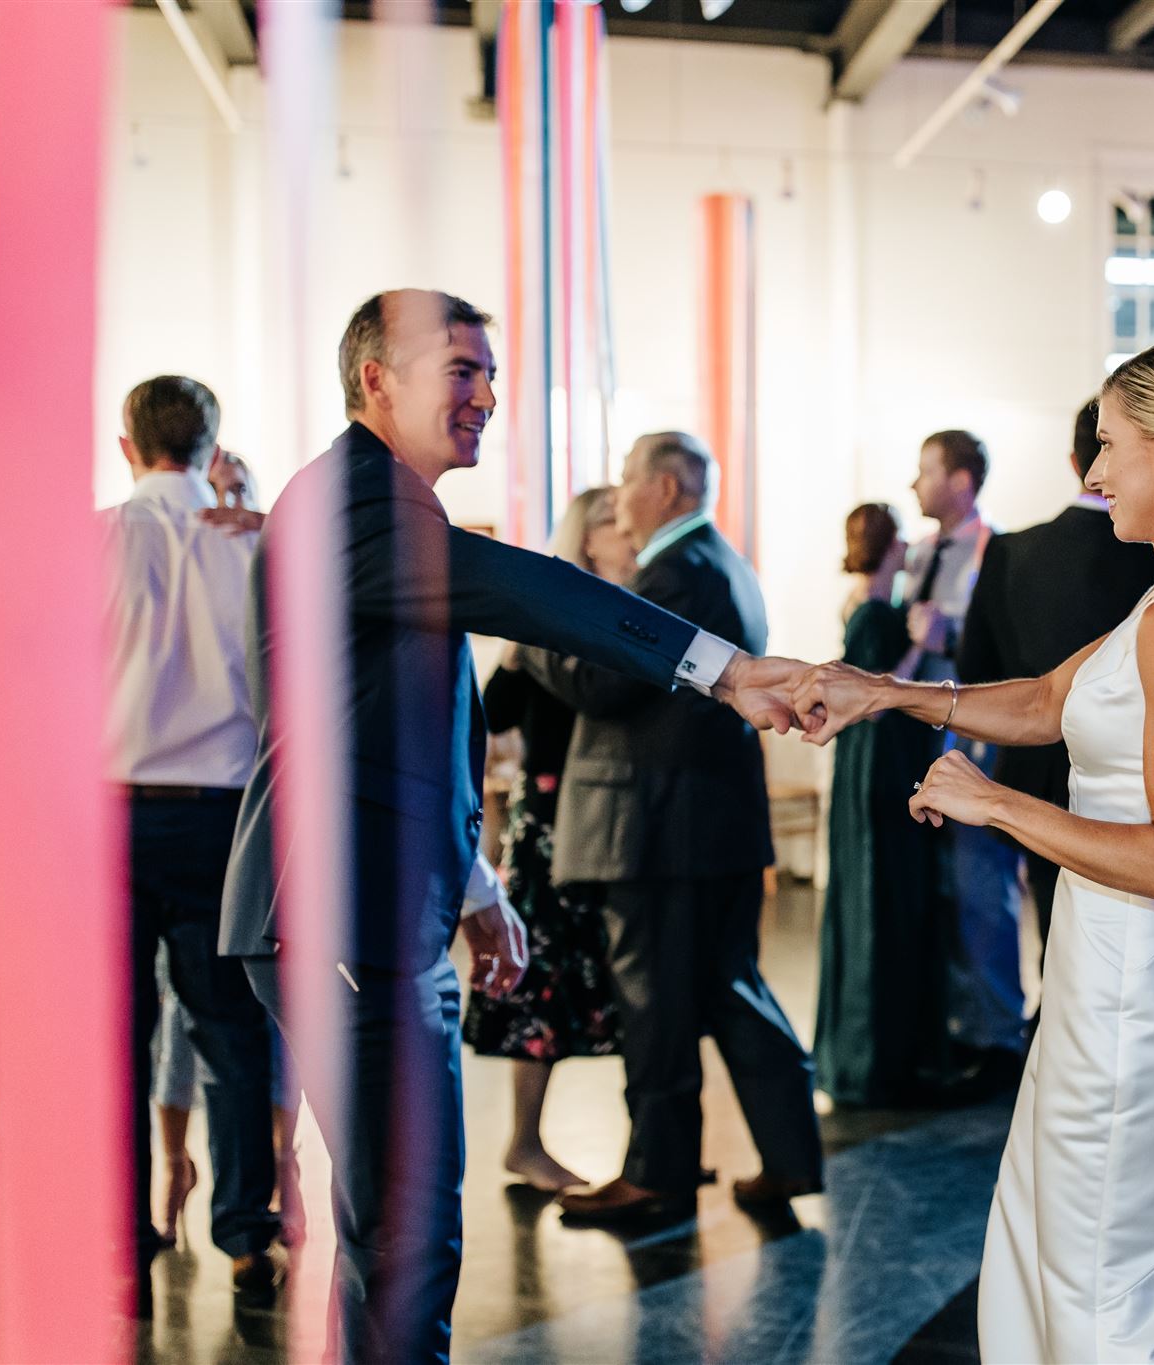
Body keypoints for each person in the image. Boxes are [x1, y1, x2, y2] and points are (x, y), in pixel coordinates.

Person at [218, 290, 808, 1364]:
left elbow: (380, 725)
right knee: (406, 1235)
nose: (487, 394)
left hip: (378, 900)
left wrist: (476, 884)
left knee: (401, 1232)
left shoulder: (378, 506)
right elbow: (529, 590)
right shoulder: (354, 504)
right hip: (343, 912)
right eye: (460, 370)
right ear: (375, 380)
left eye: (489, 372)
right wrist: (719, 669)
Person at [793, 336, 1154, 1362]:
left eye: (1108, 446)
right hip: (1123, 983)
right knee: (1110, 1259)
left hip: (1133, 999)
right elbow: (1050, 699)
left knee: (1100, 1280)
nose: (1090, 474)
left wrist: (992, 806)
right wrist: (887, 695)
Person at [520, 432, 823, 1223]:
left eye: (625, 480)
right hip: (701, 822)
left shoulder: (674, 571)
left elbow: (605, 684)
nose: (617, 496)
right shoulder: (721, 562)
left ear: (664, 486)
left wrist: (533, 638)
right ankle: (787, 1158)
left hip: (659, 826)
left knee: (654, 1003)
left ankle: (658, 1173)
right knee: (728, 990)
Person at [104, 376, 286, 1310]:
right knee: (232, 1033)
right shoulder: (252, 548)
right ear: (214, 449)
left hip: (107, 816)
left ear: (126, 444)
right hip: (222, 816)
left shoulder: (87, 541)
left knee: (115, 1039)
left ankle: (120, 1247)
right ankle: (250, 1238)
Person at [462, 487, 635, 1192]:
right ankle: (525, 1142)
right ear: (588, 539)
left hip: (604, 823)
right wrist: (519, 651)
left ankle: (638, 1152)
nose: (629, 533)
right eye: (614, 524)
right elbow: (494, 712)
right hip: (550, 828)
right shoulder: (555, 618)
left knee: (606, 984)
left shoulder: (628, 611)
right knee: (539, 984)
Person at [956, 398, 1154, 956]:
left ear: (1076, 462)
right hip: (1141, 778)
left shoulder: (1010, 551)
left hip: (1035, 771)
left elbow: (977, 671)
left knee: (1056, 931)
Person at [900, 429, 1026, 1074]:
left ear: (960, 479)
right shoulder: (917, 554)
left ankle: (998, 1032)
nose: (915, 485)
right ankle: (949, 1021)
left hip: (971, 741)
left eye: (925, 472)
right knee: (935, 894)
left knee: (981, 888)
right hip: (913, 742)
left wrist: (947, 634)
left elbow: (1000, 656)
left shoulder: (994, 552)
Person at [812, 504, 947, 1107]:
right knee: (879, 897)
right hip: (881, 771)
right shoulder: (874, 611)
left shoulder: (866, 606)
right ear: (892, 548)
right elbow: (878, 695)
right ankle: (874, 1063)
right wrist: (922, 649)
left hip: (869, 768)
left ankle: (875, 1056)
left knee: (875, 898)